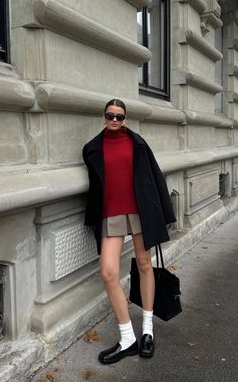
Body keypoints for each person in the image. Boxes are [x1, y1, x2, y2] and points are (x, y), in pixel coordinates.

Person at [82, 98, 175, 364]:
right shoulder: (91, 149)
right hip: (110, 213)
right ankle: (127, 339)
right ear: (103, 116)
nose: (114, 120)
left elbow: (155, 177)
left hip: (140, 211)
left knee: (145, 264)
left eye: (119, 116)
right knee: (108, 272)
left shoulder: (138, 144)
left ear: (126, 118)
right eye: (110, 115)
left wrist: (164, 213)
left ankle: (147, 330)